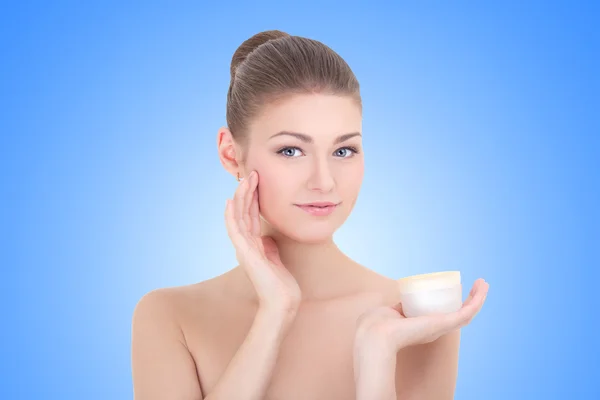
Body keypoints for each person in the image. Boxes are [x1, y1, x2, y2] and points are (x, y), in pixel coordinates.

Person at [131, 30, 489, 400]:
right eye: (290, 151)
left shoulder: (418, 318)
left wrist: (377, 354)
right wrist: (273, 316)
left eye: (344, 150)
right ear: (230, 154)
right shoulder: (170, 317)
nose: (324, 181)